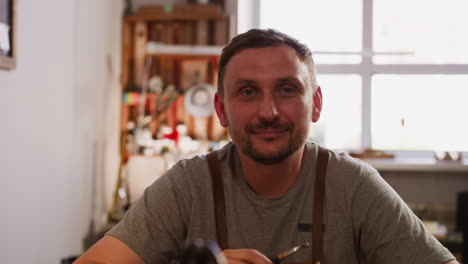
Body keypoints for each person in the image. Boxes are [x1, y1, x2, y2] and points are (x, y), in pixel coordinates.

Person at [75, 29, 458, 264]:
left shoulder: (353, 185)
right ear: (222, 110)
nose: (268, 111)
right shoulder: (188, 187)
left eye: (287, 90)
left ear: (317, 104)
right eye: (247, 92)